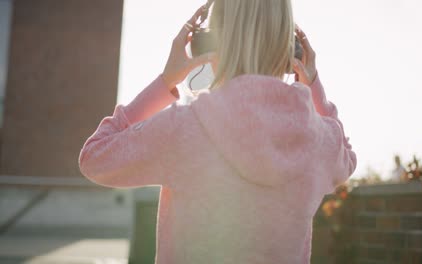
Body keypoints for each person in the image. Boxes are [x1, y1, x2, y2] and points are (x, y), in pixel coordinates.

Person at [78, 1, 357, 263]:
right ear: (292, 48)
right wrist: (313, 83)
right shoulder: (320, 140)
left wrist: (166, 82)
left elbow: (94, 157)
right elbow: (347, 155)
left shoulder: (183, 128)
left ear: (208, 45)